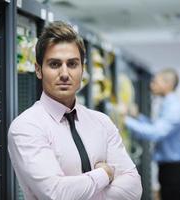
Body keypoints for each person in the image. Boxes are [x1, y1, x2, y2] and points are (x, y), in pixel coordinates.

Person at [8, 21, 142, 200]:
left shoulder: (102, 122)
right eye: (55, 64)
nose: (64, 73)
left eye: (72, 64)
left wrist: (81, 190)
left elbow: (133, 189)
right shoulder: (26, 127)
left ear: (83, 70)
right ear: (39, 70)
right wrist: (104, 174)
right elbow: (56, 194)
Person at [124, 69, 180, 200]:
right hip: (170, 170)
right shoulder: (169, 105)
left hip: (174, 172)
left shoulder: (175, 109)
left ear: (168, 84)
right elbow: (156, 126)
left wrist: (124, 119)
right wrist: (138, 117)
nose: (151, 85)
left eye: (155, 81)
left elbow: (156, 133)